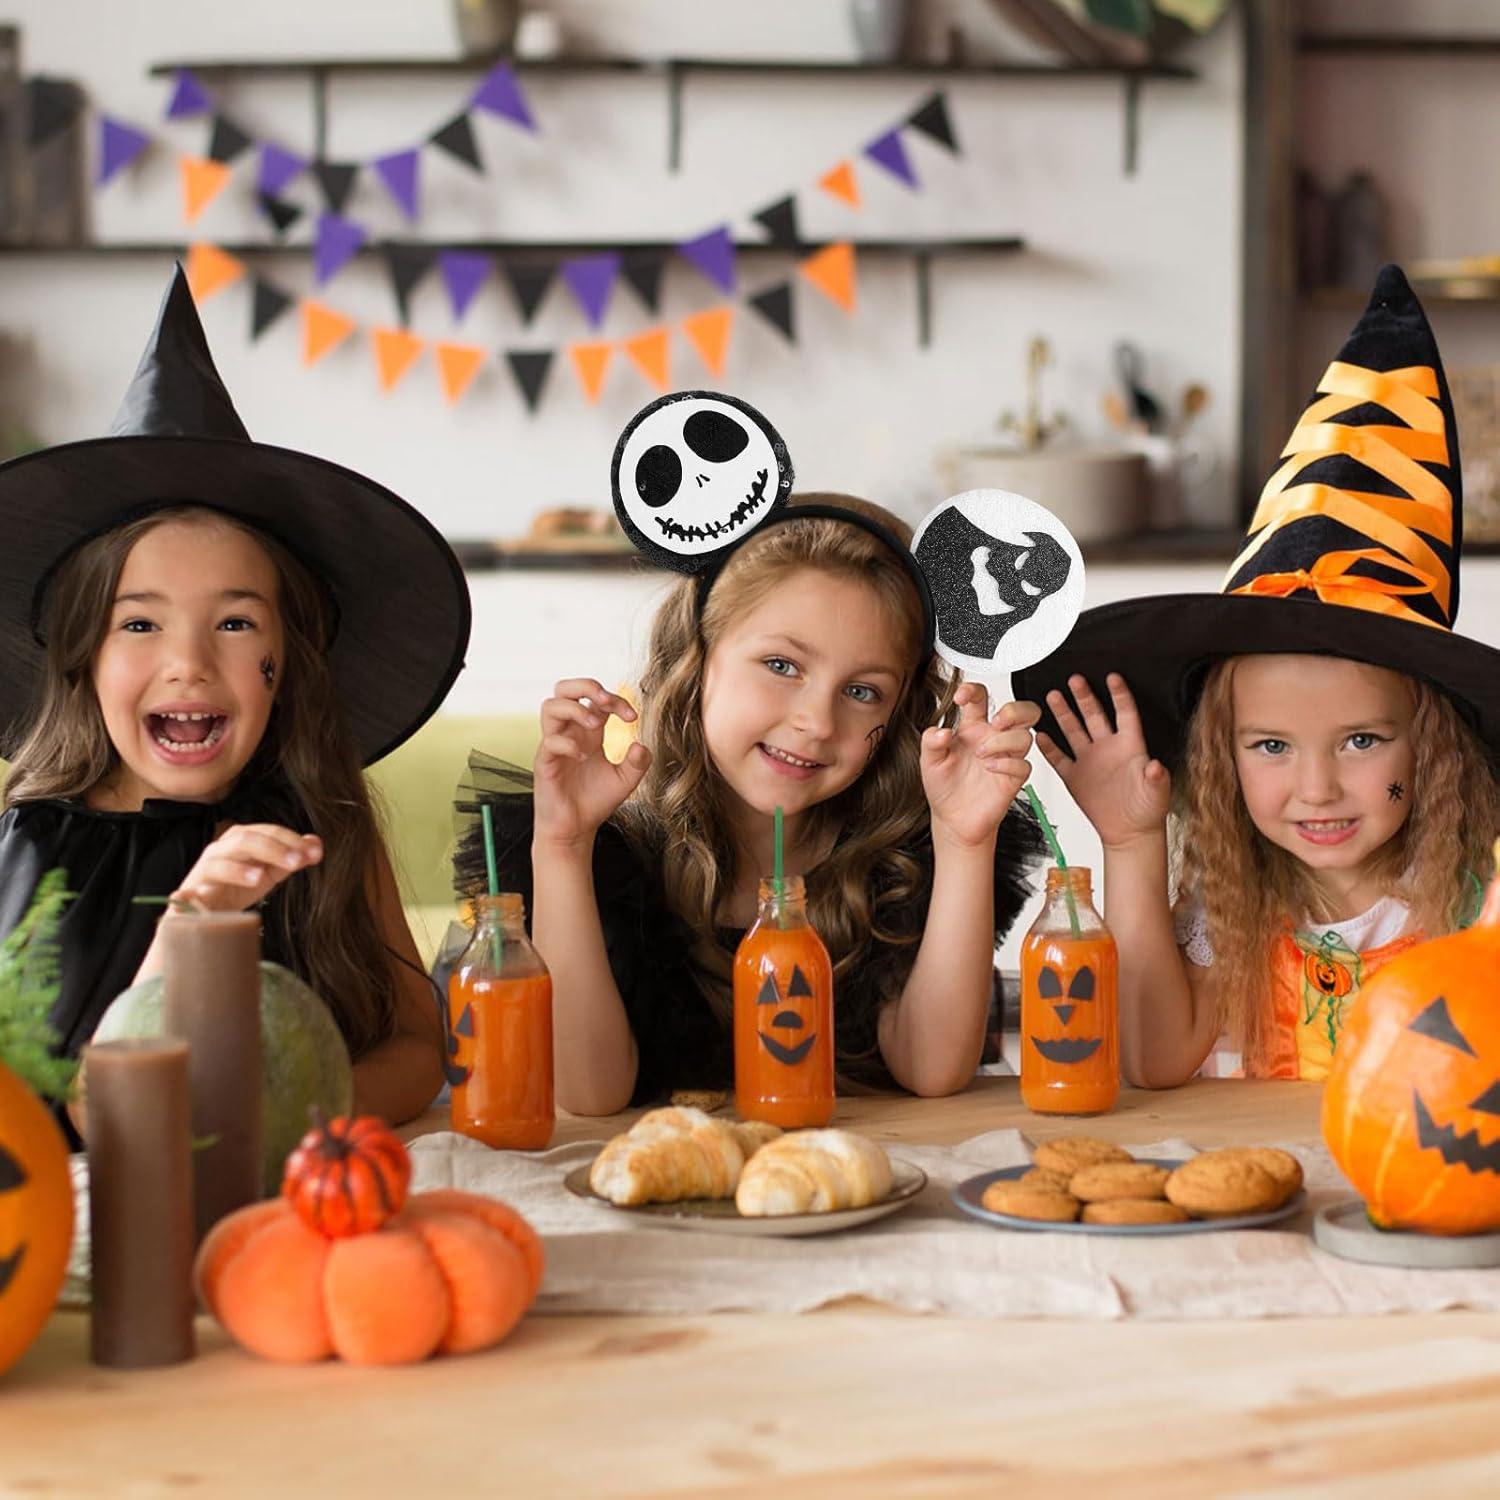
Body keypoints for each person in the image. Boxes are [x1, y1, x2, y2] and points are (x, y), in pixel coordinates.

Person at [0, 265, 471, 1130]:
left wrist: (307, 1115)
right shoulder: (31, 842)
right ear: (82, 661)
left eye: (236, 624)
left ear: (287, 660)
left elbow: (413, 1046)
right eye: (139, 625)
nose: (189, 664)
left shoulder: (323, 829)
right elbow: (84, 1110)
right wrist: (189, 926)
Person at [1015, 265, 1500, 1087]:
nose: (1316, 789)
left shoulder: (1475, 892)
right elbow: (1154, 1061)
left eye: (1360, 740)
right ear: (1220, 754)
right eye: (1271, 744)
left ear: (1431, 743)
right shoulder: (1237, 892)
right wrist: (1132, 844)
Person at [458, 494, 1047, 1114]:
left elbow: (932, 1069)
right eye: (780, 665)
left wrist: (965, 843)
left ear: (899, 713)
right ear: (696, 659)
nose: (817, 722)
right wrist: (563, 845)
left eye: (862, 690)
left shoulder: (904, 859)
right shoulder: (612, 858)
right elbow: (586, 1092)